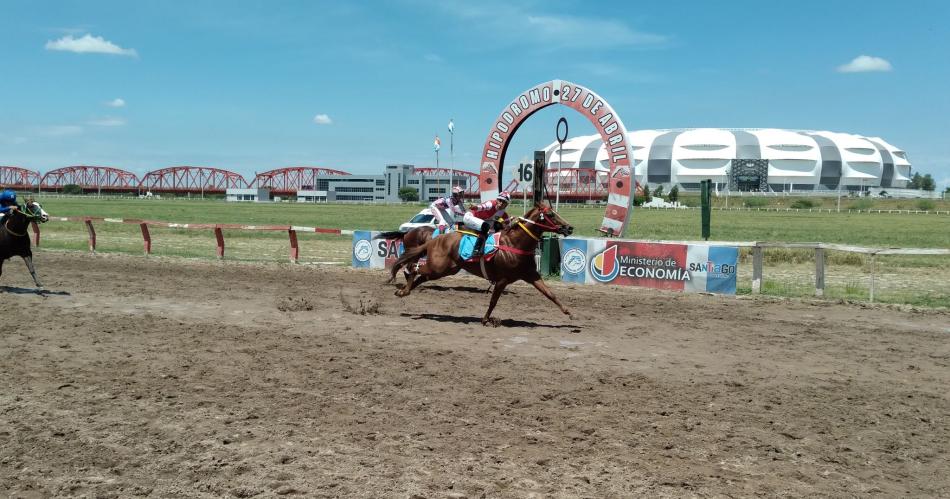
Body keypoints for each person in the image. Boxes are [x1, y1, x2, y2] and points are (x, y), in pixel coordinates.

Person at [464, 190, 511, 258]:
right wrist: (475, 207)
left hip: (482, 221)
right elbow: (482, 206)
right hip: (470, 218)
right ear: (497, 200)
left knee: (498, 225)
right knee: (486, 226)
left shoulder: (503, 213)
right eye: (500, 200)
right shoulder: (491, 204)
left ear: (506, 204)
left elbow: (509, 225)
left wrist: (509, 226)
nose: (501, 203)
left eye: (504, 202)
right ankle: (476, 250)